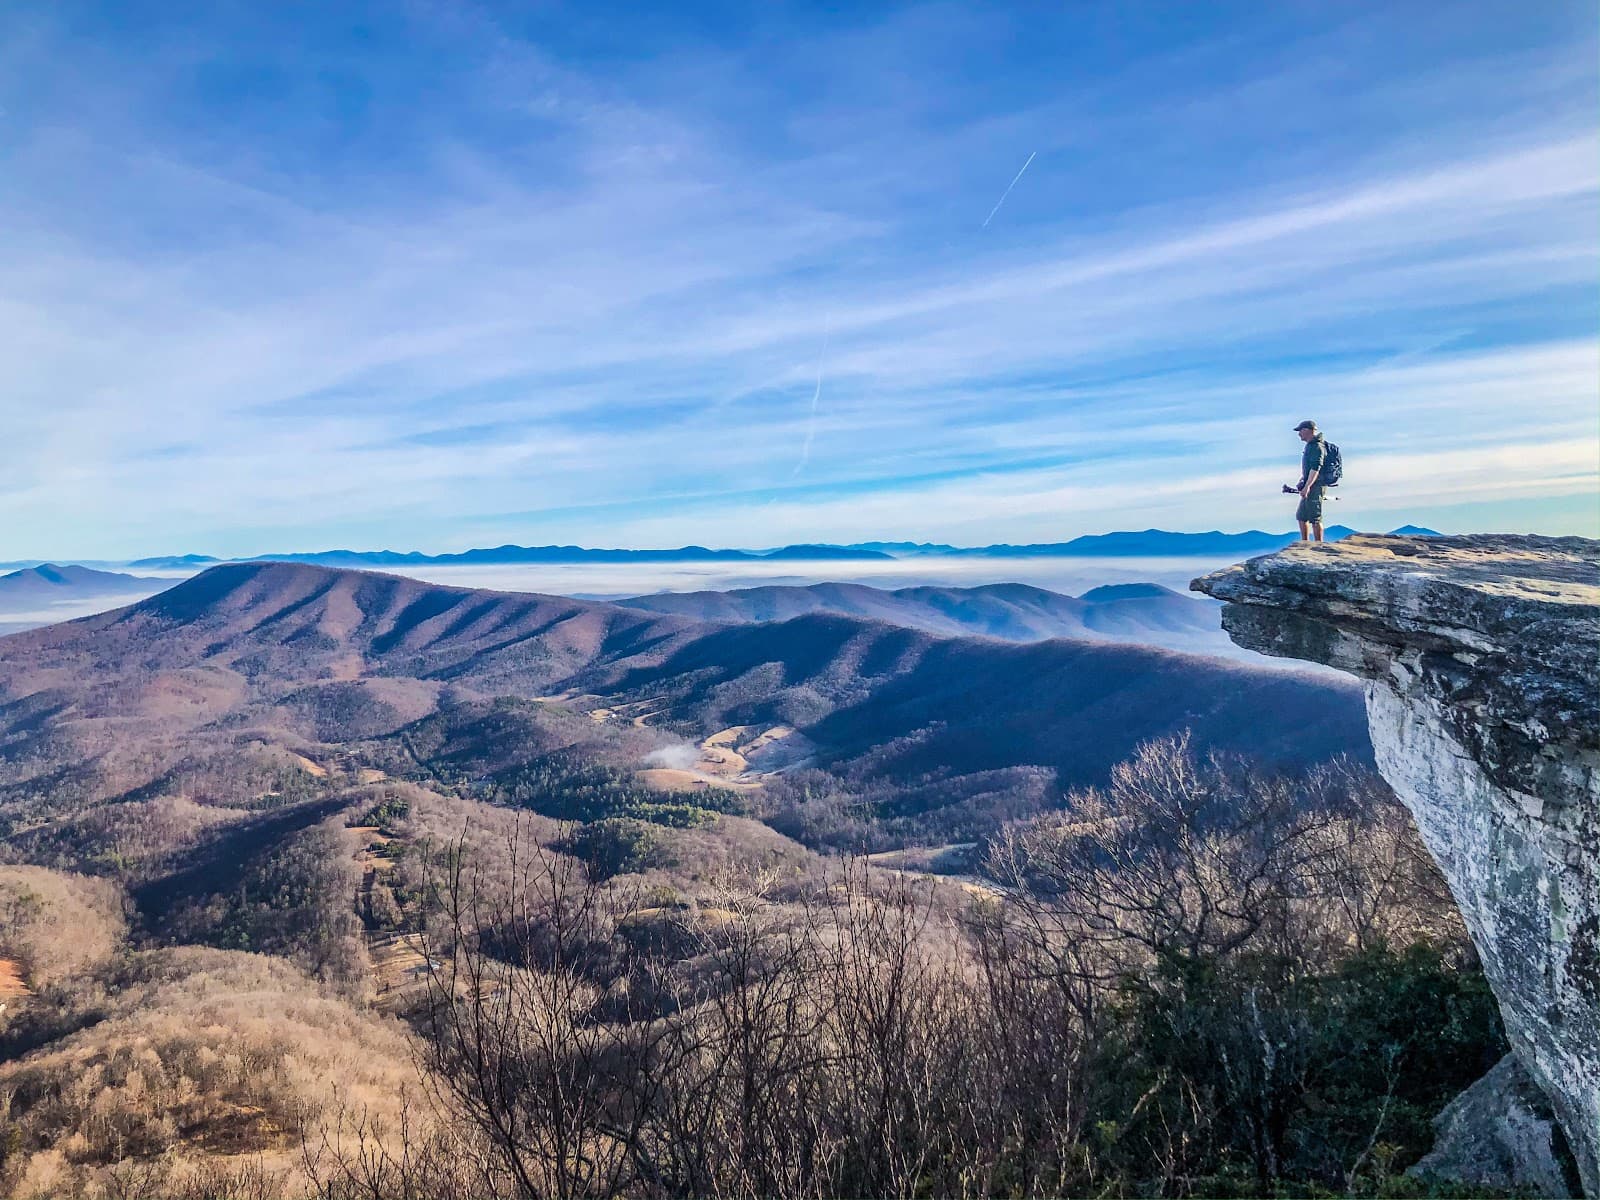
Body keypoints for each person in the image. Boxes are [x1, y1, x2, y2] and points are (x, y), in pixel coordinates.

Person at [1292, 419, 1328, 542]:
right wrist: (1303, 481)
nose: (1299, 434)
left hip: (1316, 485)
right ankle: (1305, 543)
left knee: (1315, 517)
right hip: (1310, 484)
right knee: (1301, 516)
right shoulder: (1311, 446)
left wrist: (1307, 486)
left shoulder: (1317, 446)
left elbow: (1315, 468)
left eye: (1300, 431)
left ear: (1307, 430)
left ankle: (1318, 545)